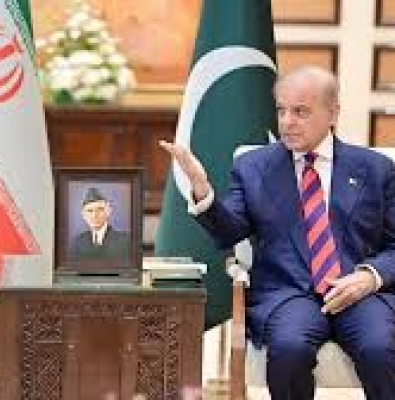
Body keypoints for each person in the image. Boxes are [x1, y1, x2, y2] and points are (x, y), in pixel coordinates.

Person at [160, 66, 395, 400]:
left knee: (380, 349)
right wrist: (202, 190)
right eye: (282, 110)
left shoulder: (375, 169)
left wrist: (369, 277)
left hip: (359, 292)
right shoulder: (254, 167)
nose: (287, 122)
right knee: (289, 349)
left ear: (333, 113)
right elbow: (229, 231)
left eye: (300, 111)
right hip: (288, 292)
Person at [69, 187, 131, 262]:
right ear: (83, 215)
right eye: (90, 211)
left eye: (100, 209)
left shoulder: (125, 241)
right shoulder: (77, 242)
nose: (95, 215)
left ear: (108, 211)